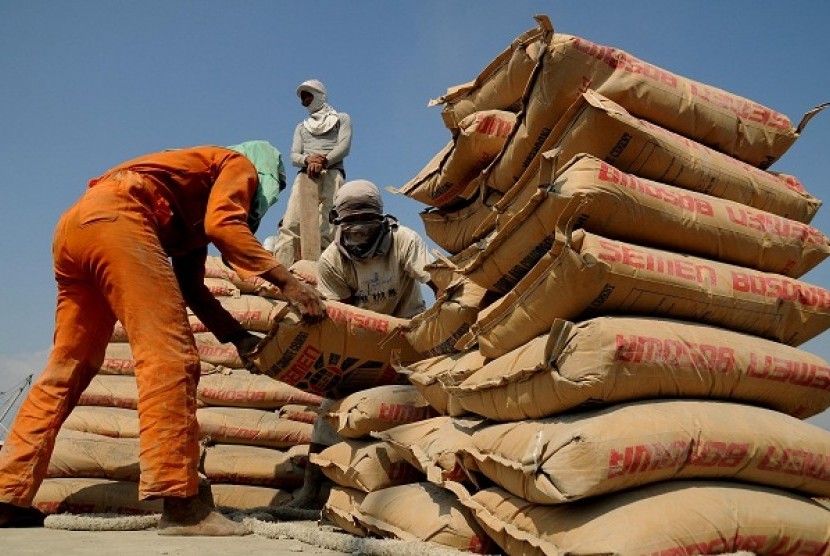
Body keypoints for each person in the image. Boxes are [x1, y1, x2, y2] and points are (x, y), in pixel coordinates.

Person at [0, 141, 326, 535]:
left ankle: (8, 496)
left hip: (75, 228)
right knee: (170, 357)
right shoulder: (240, 164)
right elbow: (225, 225)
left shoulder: (190, 213)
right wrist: (290, 285)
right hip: (118, 218)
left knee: (67, 368)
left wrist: (237, 337)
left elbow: (193, 287)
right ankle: (181, 504)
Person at [286, 179, 436, 509]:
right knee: (330, 410)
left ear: (380, 219)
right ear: (338, 222)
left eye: (365, 222)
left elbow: (436, 279)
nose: (357, 231)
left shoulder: (404, 241)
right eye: (349, 223)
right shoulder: (332, 261)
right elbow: (341, 317)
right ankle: (311, 491)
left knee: (426, 405)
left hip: (410, 334)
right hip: (362, 340)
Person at [270, 79, 352, 267]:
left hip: (333, 174)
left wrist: (324, 160)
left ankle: (323, 275)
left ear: (320, 95)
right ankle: (280, 275)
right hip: (306, 176)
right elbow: (294, 156)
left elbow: (344, 147)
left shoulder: (342, 119)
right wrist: (308, 160)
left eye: (308, 95)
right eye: (302, 97)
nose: (304, 101)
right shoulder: (301, 127)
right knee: (290, 225)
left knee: (329, 228)